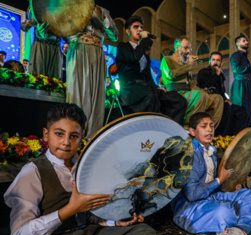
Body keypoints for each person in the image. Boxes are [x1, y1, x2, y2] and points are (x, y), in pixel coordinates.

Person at [4, 103, 156, 235]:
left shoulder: (85, 166)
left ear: (81, 138)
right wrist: (70, 210)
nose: (66, 142)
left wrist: (115, 221)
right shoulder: (33, 172)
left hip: (87, 232)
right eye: (59, 134)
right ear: (45, 134)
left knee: (143, 231)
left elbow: (91, 215)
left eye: (74, 136)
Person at [171, 112, 251, 235]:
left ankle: (240, 230)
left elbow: (211, 184)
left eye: (212, 126)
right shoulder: (188, 155)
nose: (209, 130)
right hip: (189, 207)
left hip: (210, 197)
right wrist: (219, 180)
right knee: (224, 211)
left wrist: (229, 186)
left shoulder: (211, 151)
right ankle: (242, 217)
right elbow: (192, 195)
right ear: (192, 131)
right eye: (204, 126)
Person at [115, 15, 187, 125]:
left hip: (147, 88)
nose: (140, 29)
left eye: (141, 27)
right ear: (128, 31)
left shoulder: (145, 56)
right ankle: (149, 131)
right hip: (130, 89)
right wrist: (145, 41)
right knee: (151, 95)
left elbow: (148, 77)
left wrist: (159, 88)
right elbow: (134, 57)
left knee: (178, 101)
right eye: (136, 27)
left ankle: (168, 130)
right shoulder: (123, 47)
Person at [66, 5, 119, 138]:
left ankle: (92, 137)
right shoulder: (69, 6)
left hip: (97, 53)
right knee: (76, 92)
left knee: (97, 95)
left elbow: (115, 36)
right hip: (78, 49)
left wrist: (103, 18)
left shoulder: (102, 10)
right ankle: (74, 134)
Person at [160, 37, 224, 129]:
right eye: (185, 48)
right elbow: (171, 74)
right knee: (200, 96)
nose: (188, 51)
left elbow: (191, 85)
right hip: (176, 92)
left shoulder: (184, 64)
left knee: (217, 99)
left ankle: (209, 129)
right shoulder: (167, 59)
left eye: (189, 48)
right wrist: (188, 65)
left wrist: (204, 90)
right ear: (177, 47)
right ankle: (189, 128)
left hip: (188, 92)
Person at [197, 51, 246, 135]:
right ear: (210, 61)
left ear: (221, 63)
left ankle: (235, 135)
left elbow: (221, 92)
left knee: (241, 111)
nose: (215, 62)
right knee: (227, 108)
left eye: (218, 60)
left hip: (221, 100)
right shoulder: (204, 72)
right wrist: (216, 75)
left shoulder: (220, 76)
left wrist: (226, 99)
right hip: (209, 100)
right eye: (213, 60)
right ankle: (222, 135)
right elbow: (205, 86)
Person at [230, 34, 251, 127]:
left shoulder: (246, 57)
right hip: (240, 85)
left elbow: (250, 73)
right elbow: (236, 70)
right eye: (244, 40)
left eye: (247, 41)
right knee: (240, 110)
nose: (247, 42)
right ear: (237, 43)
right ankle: (237, 135)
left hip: (249, 85)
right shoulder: (235, 55)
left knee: (249, 111)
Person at [21, 12, 62, 79]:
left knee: (55, 79)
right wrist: (27, 24)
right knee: (38, 77)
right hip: (40, 45)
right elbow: (24, 26)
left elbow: (66, 36)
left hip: (55, 48)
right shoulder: (35, 5)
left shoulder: (62, 6)